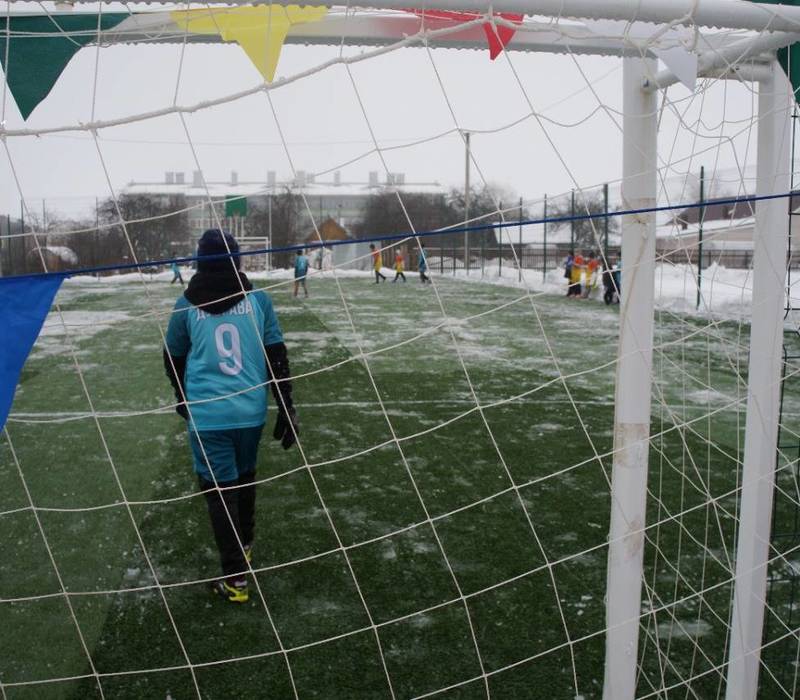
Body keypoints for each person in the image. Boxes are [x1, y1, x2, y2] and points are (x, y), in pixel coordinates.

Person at [163, 229, 299, 604]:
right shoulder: (258, 301)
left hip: (209, 417)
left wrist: (182, 398)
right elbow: (277, 354)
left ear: (198, 261)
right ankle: (246, 546)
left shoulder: (185, 304)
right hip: (250, 412)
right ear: (236, 260)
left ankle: (235, 578)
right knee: (244, 480)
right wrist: (286, 403)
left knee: (220, 494)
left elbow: (171, 356)